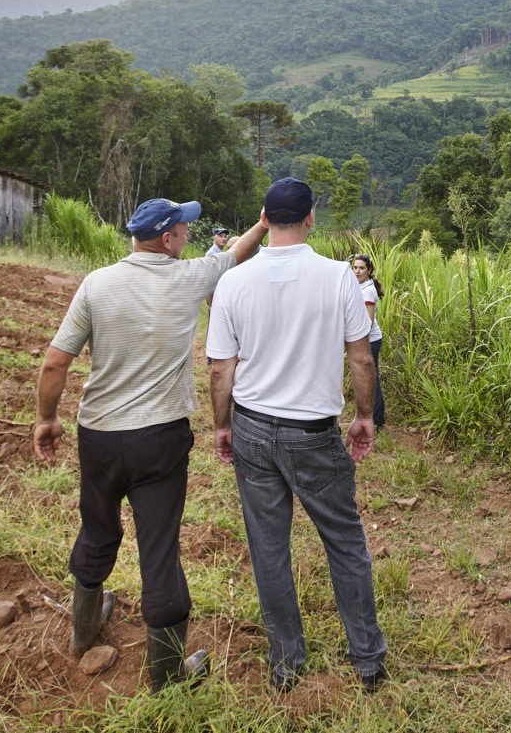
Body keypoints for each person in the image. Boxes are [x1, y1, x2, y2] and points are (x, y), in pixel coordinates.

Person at [33, 197, 267, 694]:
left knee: (97, 529)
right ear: (168, 239)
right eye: (184, 229)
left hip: (97, 435)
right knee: (158, 548)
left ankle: (82, 632)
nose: (188, 235)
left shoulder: (96, 283)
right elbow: (238, 254)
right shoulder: (188, 279)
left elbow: (55, 361)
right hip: (158, 438)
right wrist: (264, 224)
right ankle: (166, 675)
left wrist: (46, 419)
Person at [207, 178, 387, 693]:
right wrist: (364, 415)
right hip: (313, 432)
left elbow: (222, 369)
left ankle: (286, 662)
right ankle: (368, 660)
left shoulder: (234, 282)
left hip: (253, 429)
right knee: (345, 542)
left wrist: (222, 426)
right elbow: (360, 356)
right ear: (311, 218)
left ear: (264, 217)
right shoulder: (338, 279)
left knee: (269, 548)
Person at [350, 254, 386, 427]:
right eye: (355, 267)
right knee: (370, 379)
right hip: (368, 340)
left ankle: (377, 420)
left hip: (370, 340)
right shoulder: (362, 286)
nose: (357, 271)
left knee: (372, 380)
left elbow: (368, 322)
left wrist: (358, 343)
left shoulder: (368, 290)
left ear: (369, 270)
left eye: (361, 268)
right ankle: (375, 418)